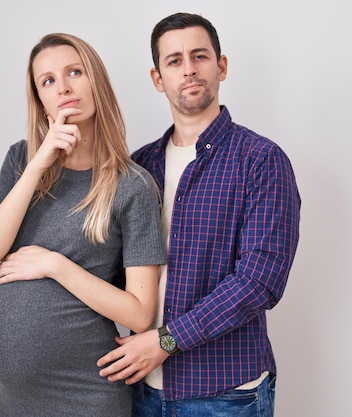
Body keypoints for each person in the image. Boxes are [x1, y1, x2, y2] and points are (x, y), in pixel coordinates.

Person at [97, 13, 301, 417]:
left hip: (225, 394)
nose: (188, 69)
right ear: (158, 78)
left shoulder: (261, 160)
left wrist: (165, 341)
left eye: (199, 56)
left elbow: (260, 281)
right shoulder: (138, 168)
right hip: (139, 388)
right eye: (174, 60)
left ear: (221, 66)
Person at [0, 33, 167, 417]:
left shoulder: (133, 185)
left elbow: (140, 313)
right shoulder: (21, 160)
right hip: (17, 397)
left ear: (95, 81)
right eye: (47, 81)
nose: (62, 87)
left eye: (74, 72)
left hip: (85, 389)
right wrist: (39, 162)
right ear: (40, 98)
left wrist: (54, 265)